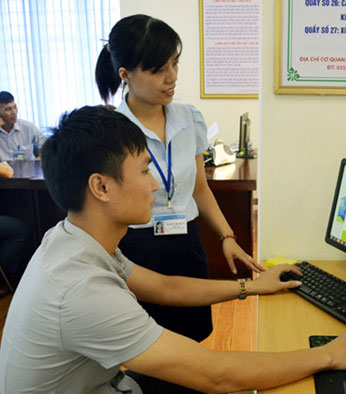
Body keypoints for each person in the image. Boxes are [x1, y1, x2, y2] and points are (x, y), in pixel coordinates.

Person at [0, 106, 346, 394]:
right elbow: (215, 373)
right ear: (101, 187)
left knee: (219, 390)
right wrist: (330, 354)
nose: (154, 184)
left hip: (101, 392)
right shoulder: (80, 290)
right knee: (229, 385)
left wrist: (252, 286)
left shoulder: (73, 238)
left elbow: (165, 286)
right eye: (144, 171)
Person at [95, 14, 262, 345]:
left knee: (192, 336)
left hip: (186, 243)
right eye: (158, 69)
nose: (171, 77)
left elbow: (200, 189)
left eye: (175, 63)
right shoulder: (110, 132)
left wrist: (227, 236)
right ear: (125, 74)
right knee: (146, 344)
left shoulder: (189, 118)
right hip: (137, 250)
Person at [0, 91, 46, 161]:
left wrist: (36, 162)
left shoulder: (28, 127)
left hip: (28, 167)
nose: (14, 112)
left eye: (15, 107)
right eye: (8, 109)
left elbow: (48, 147)